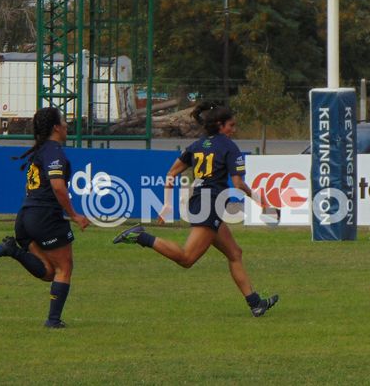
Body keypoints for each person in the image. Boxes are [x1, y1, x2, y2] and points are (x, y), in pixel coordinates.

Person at [112, 102, 278, 317]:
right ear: (220, 125)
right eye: (231, 125)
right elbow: (238, 184)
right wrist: (260, 201)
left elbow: (171, 174)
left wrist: (167, 204)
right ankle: (141, 236)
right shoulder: (230, 147)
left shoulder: (197, 145)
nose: (234, 130)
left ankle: (256, 303)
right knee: (187, 259)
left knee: (235, 253)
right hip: (210, 204)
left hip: (200, 201)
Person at [0, 106, 90, 329]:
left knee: (49, 272)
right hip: (45, 218)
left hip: (25, 217)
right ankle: (53, 321)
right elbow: (59, 188)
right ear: (56, 127)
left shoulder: (41, 151)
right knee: (64, 268)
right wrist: (74, 215)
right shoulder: (53, 152)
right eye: (63, 121)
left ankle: (13, 250)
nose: (66, 125)